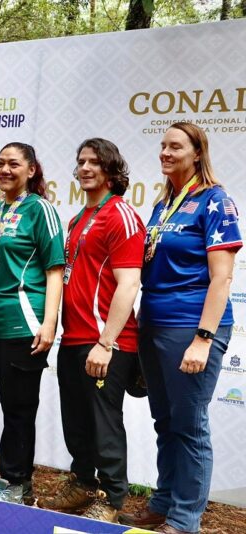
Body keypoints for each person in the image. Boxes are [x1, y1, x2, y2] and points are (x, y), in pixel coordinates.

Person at [119, 123, 241, 534]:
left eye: (176, 147)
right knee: (165, 421)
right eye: (163, 146)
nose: (165, 153)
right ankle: (163, 504)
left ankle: (185, 519)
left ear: (197, 153)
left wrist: (203, 339)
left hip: (191, 327)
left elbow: (222, 279)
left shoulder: (215, 201)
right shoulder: (164, 204)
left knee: (189, 426)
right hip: (154, 324)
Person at [37, 139, 144, 522]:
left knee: (104, 423)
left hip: (105, 342)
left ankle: (112, 500)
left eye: (94, 162)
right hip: (74, 339)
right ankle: (83, 483)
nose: (84, 167)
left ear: (111, 169)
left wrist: (106, 342)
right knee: (77, 422)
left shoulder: (121, 215)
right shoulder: (78, 219)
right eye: (81, 161)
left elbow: (129, 284)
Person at [0, 142, 64, 504]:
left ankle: (12, 484)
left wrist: (49, 323)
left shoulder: (40, 209)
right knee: (11, 405)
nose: (4, 170)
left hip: (25, 322)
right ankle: (18, 483)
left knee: (18, 409)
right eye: (0, 163)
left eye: (13, 164)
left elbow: (55, 269)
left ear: (31, 170)